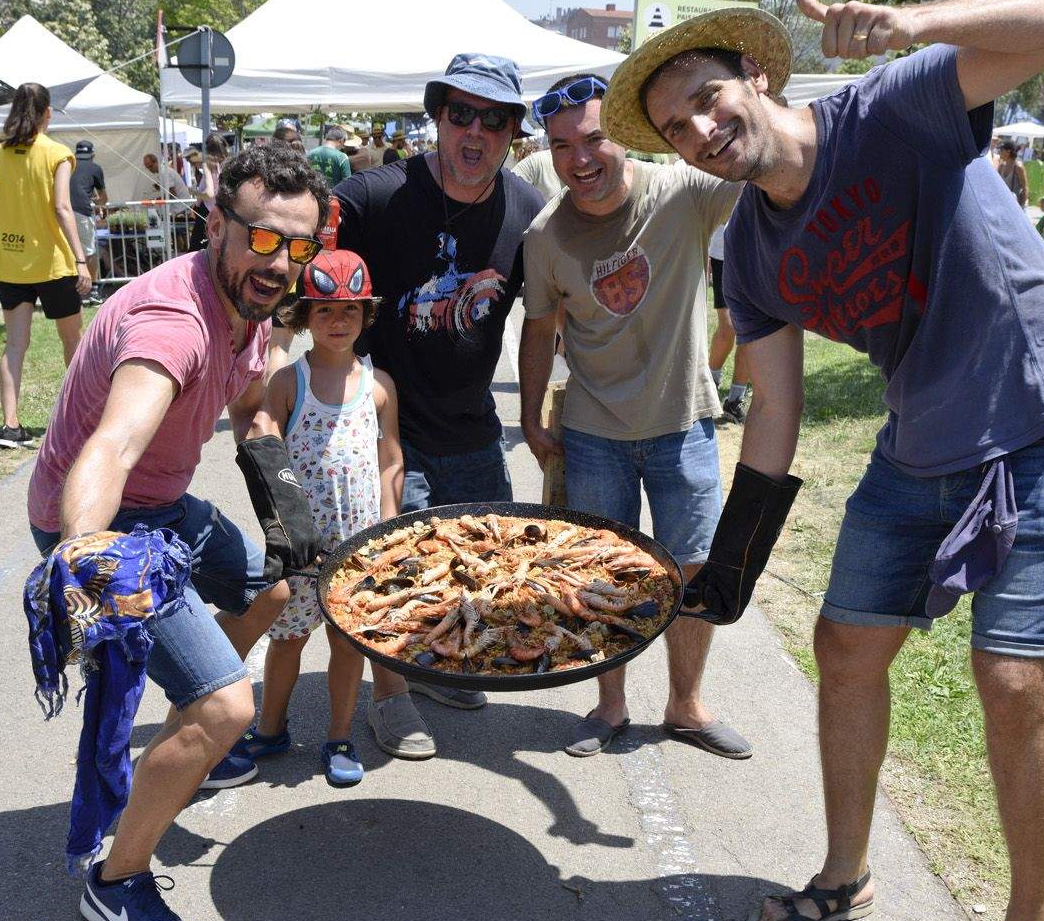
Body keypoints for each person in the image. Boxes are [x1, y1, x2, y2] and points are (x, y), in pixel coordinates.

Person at [614, 0, 1044, 921]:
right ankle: (845, 873)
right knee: (844, 649)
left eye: (710, 101)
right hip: (921, 440)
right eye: (677, 129)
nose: (703, 133)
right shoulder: (748, 253)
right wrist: (732, 571)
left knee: (1014, 680)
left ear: (757, 76)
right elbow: (774, 412)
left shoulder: (895, 106)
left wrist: (916, 24)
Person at [29, 142, 328, 921]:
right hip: (105, 524)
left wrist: (286, 502)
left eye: (299, 247)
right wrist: (85, 559)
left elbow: (253, 409)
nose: (280, 263)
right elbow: (113, 446)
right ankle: (115, 878)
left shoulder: (252, 307)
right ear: (216, 224)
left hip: (166, 507)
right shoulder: (174, 319)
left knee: (280, 581)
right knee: (229, 705)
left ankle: (194, 718)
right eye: (263, 238)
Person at [518, 73, 749, 760]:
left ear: (622, 132)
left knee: (692, 571)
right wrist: (531, 419)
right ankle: (610, 704)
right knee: (603, 574)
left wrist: (748, 96)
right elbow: (538, 331)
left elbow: (757, 166)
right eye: (561, 146)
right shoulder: (545, 234)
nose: (579, 159)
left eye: (593, 138)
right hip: (594, 435)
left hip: (685, 425)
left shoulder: (684, 191)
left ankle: (685, 704)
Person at [331, 52, 546, 759]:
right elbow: (304, 246)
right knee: (398, 564)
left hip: (472, 420)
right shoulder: (374, 195)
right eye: (460, 113)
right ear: (437, 116)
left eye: (493, 118)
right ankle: (389, 696)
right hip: (385, 423)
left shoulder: (526, 209)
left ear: (514, 130)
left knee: (487, 559)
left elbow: (556, 309)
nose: (474, 131)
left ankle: (440, 666)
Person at [245, 248, 402, 787]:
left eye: (350, 311)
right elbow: (263, 438)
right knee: (287, 638)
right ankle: (270, 727)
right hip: (300, 544)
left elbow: (391, 462)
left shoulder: (379, 387)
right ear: (304, 317)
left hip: (358, 542)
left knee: (346, 641)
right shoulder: (291, 382)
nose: (339, 322)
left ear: (367, 316)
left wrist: (388, 528)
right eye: (325, 312)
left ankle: (339, 735)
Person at [0, 82, 91, 451]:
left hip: (11, 262)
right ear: (48, 112)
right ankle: (83, 418)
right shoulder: (57, 154)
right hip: (52, 263)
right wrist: (81, 259)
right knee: (72, 341)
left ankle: (10, 426)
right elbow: (62, 208)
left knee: (15, 345)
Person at [708, 222, 751, 423]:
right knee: (728, 328)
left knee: (751, 333)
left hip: (755, 255)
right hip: (722, 255)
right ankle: (709, 385)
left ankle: (735, 400)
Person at [70, 141, 108, 305]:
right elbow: (104, 198)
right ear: (92, 154)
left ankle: (69, 289)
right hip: (81, 211)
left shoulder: (68, 165)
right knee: (89, 251)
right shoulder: (95, 168)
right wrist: (95, 202)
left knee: (67, 252)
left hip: (60, 209)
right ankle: (93, 289)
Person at [996, 139, 1028, 206]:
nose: (999, 152)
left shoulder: (1018, 167)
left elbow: (1025, 187)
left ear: (1008, 152)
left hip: (1015, 205)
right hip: (1002, 203)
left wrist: (1023, 205)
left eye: (1001, 150)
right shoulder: (1001, 166)